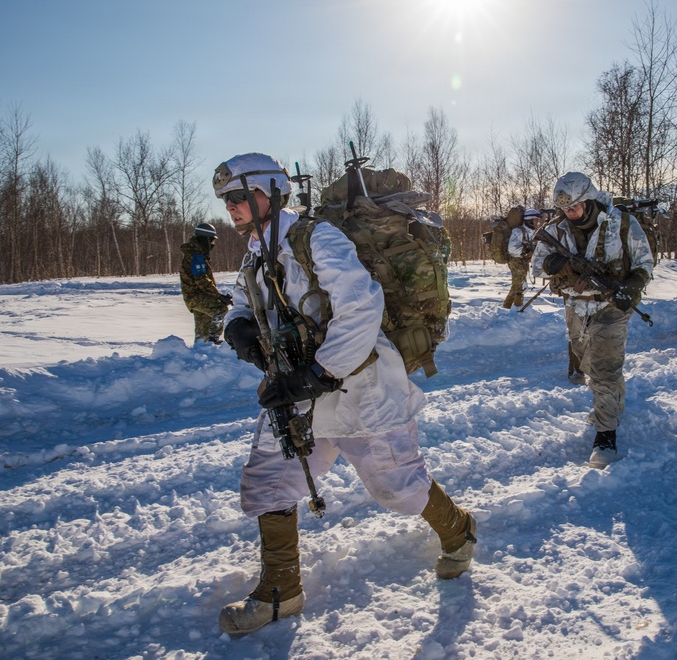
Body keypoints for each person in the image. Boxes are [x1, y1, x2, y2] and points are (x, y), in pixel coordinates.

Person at [212, 153, 476, 634]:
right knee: (269, 477)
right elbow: (239, 303)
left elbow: (360, 308)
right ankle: (281, 590)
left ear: (268, 192)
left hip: (360, 386)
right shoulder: (255, 252)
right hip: (296, 386)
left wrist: (319, 373)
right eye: (225, 199)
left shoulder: (316, 238)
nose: (230, 206)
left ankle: (459, 530)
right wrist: (241, 330)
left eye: (236, 196)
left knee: (396, 486)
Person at [531, 172, 653, 468]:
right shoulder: (557, 230)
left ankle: (605, 435)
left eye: (573, 207)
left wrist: (632, 289)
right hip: (575, 306)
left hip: (610, 307)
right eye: (564, 209)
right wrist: (552, 263)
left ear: (589, 200)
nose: (569, 214)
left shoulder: (620, 223)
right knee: (585, 364)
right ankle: (609, 404)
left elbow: (644, 263)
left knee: (604, 370)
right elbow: (536, 267)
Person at [179, 223, 232, 344]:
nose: (213, 245)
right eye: (212, 241)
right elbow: (202, 280)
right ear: (206, 239)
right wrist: (219, 297)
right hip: (196, 296)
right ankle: (213, 340)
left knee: (203, 329)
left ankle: (202, 348)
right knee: (220, 309)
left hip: (195, 296)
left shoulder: (196, 254)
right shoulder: (196, 256)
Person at [503, 208, 540, 309]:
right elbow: (512, 249)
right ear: (529, 220)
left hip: (522, 261)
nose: (537, 222)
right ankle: (516, 307)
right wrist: (526, 251)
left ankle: (509, 307)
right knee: (519, 285)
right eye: (535, 220)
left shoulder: (531, 231)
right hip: (515, 261)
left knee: (518, 285)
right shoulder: (518, 231)